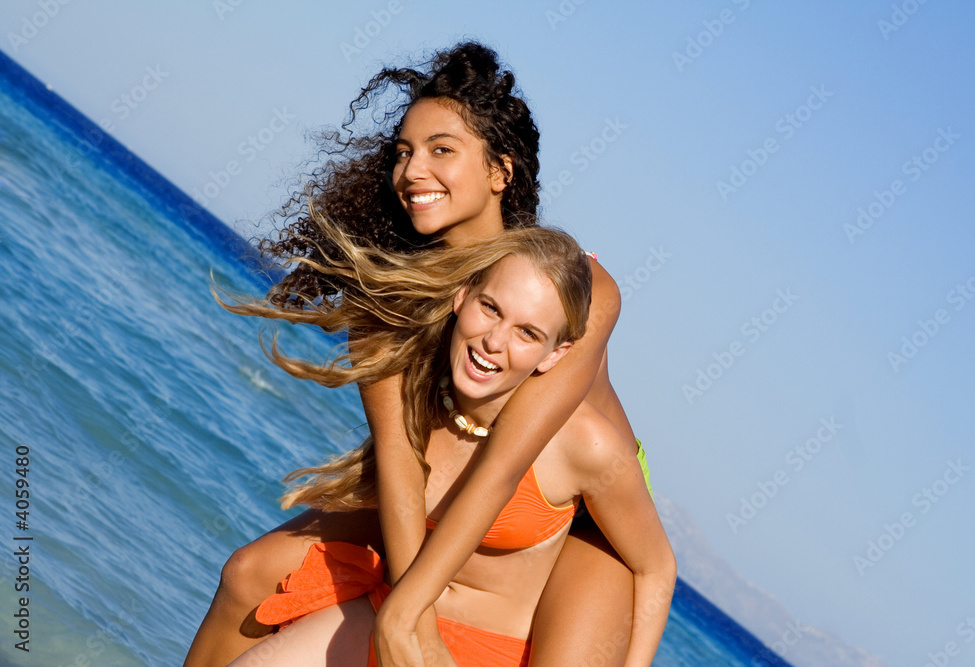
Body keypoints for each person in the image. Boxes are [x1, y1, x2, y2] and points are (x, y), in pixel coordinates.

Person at [184, 42, 660, 666]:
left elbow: (510, 458)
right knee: (249, 574)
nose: (412, 171)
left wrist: (411, 608)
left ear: (500, 172)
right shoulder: (391, 298)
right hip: (452, 477)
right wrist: (408, 613)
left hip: (579, 509)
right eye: (404, 152)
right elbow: (401, 458)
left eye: (441, 150)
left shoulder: (580, 290)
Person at [223, 225, 675, 667]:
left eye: (528, 334)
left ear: (555, 354)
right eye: (491, 308)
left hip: (491, 648)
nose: (494, 342)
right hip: (397, 614)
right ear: (463, 295)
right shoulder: (414, 389)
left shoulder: (582, 445)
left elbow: (654, 568)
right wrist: (406, 621)